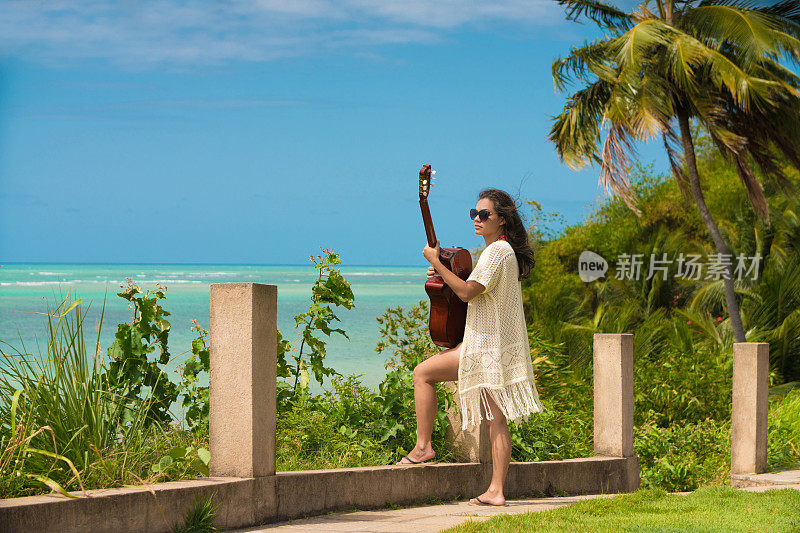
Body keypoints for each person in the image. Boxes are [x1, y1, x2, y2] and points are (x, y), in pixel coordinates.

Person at [396, 188, 545, 507]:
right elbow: (470, 291)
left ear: (501, 219)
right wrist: (441, 272)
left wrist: (437, 261)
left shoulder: (496, 253)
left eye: (484, 215)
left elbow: (465, 292)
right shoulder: (503, 252)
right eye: (473, 214)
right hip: (496, 347)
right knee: (497, 420)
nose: (477, 219)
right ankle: (496, 491)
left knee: (422, 374)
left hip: (484, 347)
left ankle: (424, 447)